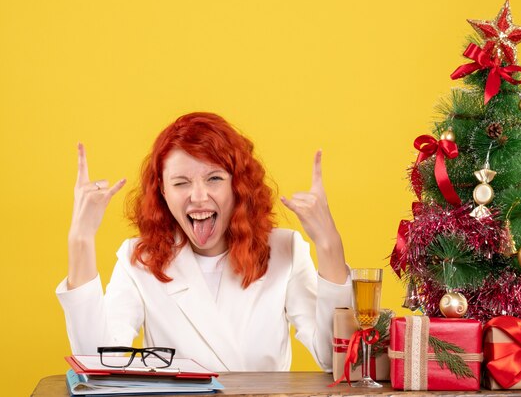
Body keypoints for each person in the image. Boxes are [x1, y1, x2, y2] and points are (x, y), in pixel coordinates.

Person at [56, 112, 352, 371]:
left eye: (214, 179)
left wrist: (329, 244)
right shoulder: (139, 259)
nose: (198, 196)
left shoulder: (285, 250)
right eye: (181, 183)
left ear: (238, 185)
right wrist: (80, 239)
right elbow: (99, 361)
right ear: (162, 190)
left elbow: (333, 359)